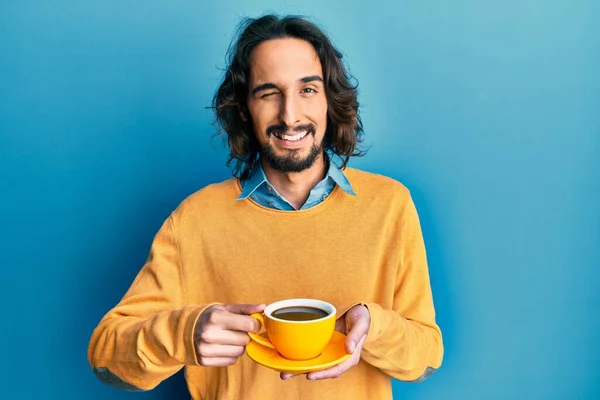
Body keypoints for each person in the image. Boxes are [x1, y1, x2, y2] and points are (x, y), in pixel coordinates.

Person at [88, 14, 443, 400]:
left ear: (329, 100)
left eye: (307, 90)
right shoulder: (194, 219)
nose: (290, 115)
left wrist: (376, 328)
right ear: (244, 108)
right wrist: (184, 334)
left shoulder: (389, 205)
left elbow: (426, 358)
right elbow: (106, 358)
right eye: (268, 93)